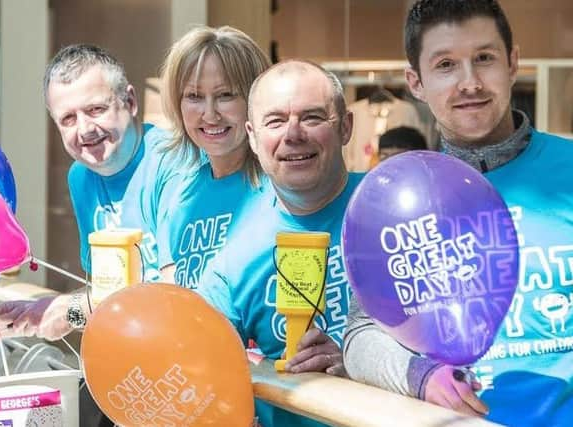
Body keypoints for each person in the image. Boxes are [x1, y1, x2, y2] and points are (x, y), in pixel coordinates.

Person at [343, 1, 573, 425]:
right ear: (416, 81)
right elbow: (360, 335)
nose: (470, 83)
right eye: (446, 64)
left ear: (513, 63)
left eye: (484, 58)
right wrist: (420, 376)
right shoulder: (399, 202)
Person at [197, 60, 363, 427]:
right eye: (275, 122)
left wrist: (362, 362)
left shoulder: (393, 205)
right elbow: (193, 363)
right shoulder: (236, 254)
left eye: (313, 117)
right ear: (253, 137)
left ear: (346, 127)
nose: (293, 134)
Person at [0, 44, 176, 342]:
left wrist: (70, 311)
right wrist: (41, 313)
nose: (85, 130)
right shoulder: (81, 176)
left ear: (130, 101)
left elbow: (175, 294)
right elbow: (104, 296)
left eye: (96, 109)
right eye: (68, 119)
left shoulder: (172, 161)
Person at [156, 26, 271, 288]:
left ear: (256, 99)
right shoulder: (180, 196)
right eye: (194, 96)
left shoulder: (282, 193)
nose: (210, 115)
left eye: (225, 95)